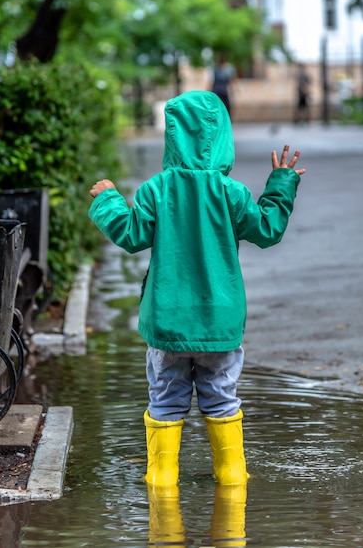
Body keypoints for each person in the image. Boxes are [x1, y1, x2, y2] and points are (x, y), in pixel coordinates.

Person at [88, 90, 305, 487]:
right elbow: (267, 230)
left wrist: (108, 200)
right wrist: (282, 183)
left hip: (168, 323)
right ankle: (233, 478)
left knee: (166, 402)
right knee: (222, 401)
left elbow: (131, 233)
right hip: (219, 323)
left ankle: (162, 482)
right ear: (223, 137)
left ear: (172, 135)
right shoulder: (232, 192)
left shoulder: (157, 189)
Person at [210, 52, 236, 118]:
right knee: (217, 106)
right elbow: (213, 80)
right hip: (217, 90)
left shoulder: (228, 68)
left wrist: (233, 90)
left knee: (226, 106)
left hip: (224, 90)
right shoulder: (215, 68)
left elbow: (231, 80)